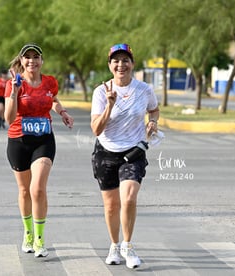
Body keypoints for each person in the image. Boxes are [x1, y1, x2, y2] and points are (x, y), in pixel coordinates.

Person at [90, 43, 160, 269]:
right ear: (110, 65)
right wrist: (110, 105)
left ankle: (128, 246)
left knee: (128, 199)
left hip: (134, 152)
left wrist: (153, 122)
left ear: (132, 63)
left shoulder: (144, 89)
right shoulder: (101, 92)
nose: (121, 65)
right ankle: (114, 245)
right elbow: (96, 129)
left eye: (125, 60)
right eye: (116, 61)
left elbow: (154, 109)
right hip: (106, 153)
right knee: (111, 206)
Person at [4, 43, 74, 258]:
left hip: (43, 140)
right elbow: (8, 119)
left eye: (36, 57)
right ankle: (28, 233)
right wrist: (15, 94)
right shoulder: (13, 84)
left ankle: (40, 239)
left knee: (37, 189)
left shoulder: (50, 81)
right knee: (24, 191)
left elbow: (52, 98)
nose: (32, 61)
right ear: (22, 61)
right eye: (28, 57)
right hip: (19, 140)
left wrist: (61, 111)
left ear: (42, 61)